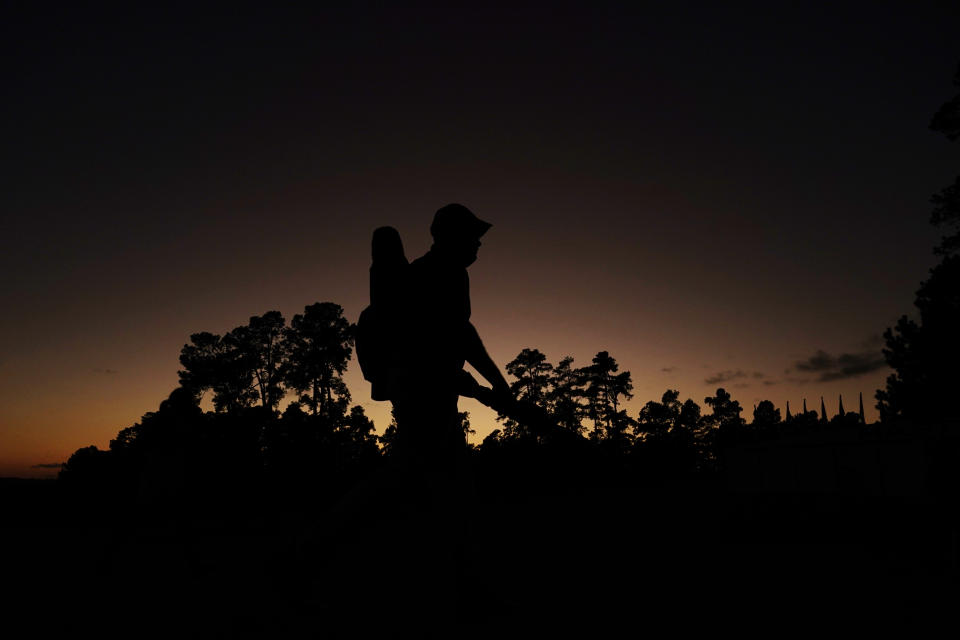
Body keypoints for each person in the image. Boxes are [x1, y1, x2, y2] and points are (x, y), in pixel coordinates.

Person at [389, 203, 511, 468]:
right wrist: (498, 384)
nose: (478, 244)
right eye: (473, 237)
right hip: (426, 398)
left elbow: (460, 333)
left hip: (430, 394)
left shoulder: (435, 270)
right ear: (453, 236)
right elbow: (459, 335)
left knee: (419, 471)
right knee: (430, 472)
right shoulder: (443, 273)